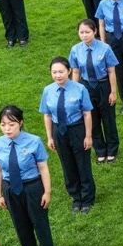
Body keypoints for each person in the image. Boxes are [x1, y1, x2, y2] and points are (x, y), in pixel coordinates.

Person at [0, 105, 55, 246]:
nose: (7, 129)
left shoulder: (34, 141)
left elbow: (43, 168)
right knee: (21, 227)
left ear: (20, 123)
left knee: (40, 225)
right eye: (3, 125)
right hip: (10, 189)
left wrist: (47, 192)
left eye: (11, 124)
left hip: (32, 187)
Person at [39, 56, 96, 213]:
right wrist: (50, 137)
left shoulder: (80, 89)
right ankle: (76, 197)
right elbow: (47, 115)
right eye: (54, 72)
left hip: (77, 129)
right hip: (59, 131)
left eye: (61, 72)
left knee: (82, 164)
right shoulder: (48, 91)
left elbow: (87, 114)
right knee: (67, 164)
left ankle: (87, 198)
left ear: (69, 71)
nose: (58, 75)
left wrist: (88, 136)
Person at [69, 19, 120, 162]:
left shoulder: (105, 48)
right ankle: (100, 150)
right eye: (81, 32)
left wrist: (113, 92)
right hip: (86, 87)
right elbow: (76, 72)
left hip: (103, 85)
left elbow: (111, 71)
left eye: (87, 32)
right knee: (92, 118)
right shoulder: (75, 50)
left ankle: (112, 149)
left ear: (95, 31)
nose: (84, 35)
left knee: (108, 119)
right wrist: (75, 93)